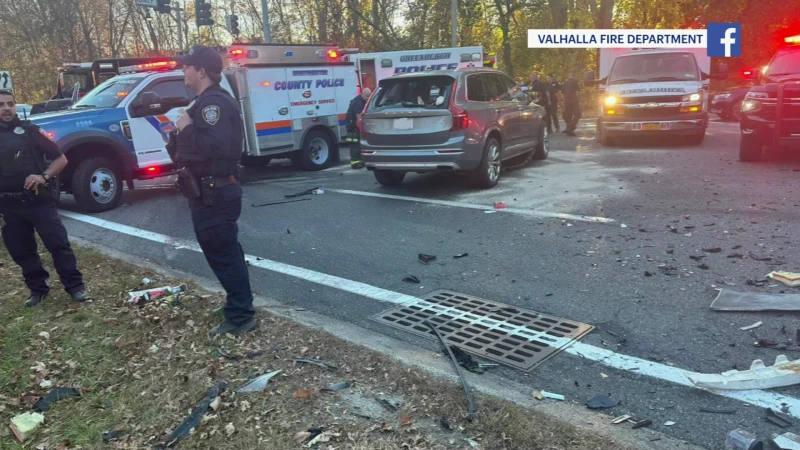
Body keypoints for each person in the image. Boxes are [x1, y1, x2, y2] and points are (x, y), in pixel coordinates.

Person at [172, 45, 256, 336]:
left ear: (201, 71)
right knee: (225, 252)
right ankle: (238, 305)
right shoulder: (204, 102)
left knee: (223, 253)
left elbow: (220, 148)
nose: (183, 70)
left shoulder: (213, 105)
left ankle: (241, 315)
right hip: (208, 191)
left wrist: (186, 130)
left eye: (187, 66)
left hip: (215, 192)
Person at [0, 89, 86, 307]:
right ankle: (38, 290)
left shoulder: (30, 131)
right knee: (22, 251)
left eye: (10, 104)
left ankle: (75, 288)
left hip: (37, 200)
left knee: (58, 244)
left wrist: (43, 176)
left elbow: (61, 159)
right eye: (1, 105)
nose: (6, 108)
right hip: (7, 205)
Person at [345, 88, 371, 169]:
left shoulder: (359, 100)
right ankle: (356, 163)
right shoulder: (359, 102)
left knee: (357, 145)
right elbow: (359, 116)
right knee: (355, 146)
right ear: (362, 94)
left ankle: (359, 161)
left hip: (353, 127)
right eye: (367, 96)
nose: (368, 98)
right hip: (354, 128)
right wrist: (362, 128)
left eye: (369, 96)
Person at [562, 71, 582, 136]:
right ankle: (570, 128)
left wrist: (563, 102)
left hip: (566, 101)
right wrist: (578, 101)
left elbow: (563, 93)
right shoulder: (575, 82)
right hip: (574, 101)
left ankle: (569, 129)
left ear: (569, 75)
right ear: (574, 75)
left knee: (568, 115)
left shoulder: (565, 82)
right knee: (578, 114)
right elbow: (577, 92)